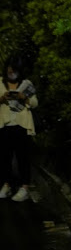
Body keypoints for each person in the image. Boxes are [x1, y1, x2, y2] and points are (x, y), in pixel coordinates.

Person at [0, 57, 38, 202]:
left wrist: (24, 98)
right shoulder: (0, 82)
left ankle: (24, 187)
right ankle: (7, 184)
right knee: (4, 157)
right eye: (9, 68)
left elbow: (35, 103)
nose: (11, 71)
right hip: (4, 124)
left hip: (22, 125)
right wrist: (2, 98)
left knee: (23, 157)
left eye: (14, 68)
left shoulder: (26, 84)